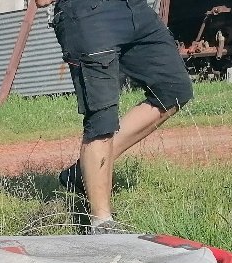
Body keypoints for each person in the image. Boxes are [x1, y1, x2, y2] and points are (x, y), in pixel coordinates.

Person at [38, 0, 194, 233]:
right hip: (89, 14)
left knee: (173, 91)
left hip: (134, 9)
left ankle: (81, 173)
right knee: (101, 119)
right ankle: (102, 225)